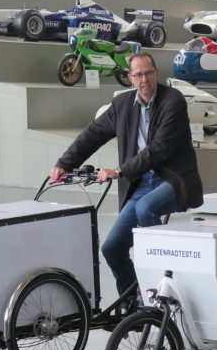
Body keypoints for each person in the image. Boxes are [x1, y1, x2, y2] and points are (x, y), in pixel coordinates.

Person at [49, 52, 203, 301]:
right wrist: (64, 163)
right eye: (139, 74)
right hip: (140, 182)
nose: (145, 79)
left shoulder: (172, 100)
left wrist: (120, 171)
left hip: (173, 179)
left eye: (149, 73)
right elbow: (93, 134)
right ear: (130, 78)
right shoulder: (121, 105)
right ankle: (133, 304)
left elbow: (159, 149)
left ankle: (159, 280)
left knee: (145, 208)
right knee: (112, 249)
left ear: (157, 74)